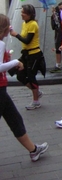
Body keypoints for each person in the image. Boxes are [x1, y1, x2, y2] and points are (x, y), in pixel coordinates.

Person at [0, 14, 49, 161]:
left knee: (15, 119)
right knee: (14, 119)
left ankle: (33, 150)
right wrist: (15, 62)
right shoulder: (0, 44)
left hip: (2, 90)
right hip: (0, 89)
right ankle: (33, 150)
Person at [10, 4, 46, 110]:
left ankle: (36, 101)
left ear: (30, 14)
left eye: (23, 13)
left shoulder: (33, 24)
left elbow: (27, 40)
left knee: (31, 76)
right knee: (20, 75)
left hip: (34, 54)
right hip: (26, 54)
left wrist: (16, 35)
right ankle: (37, 92)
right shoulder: (24, 24)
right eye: (21, 12)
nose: (22, 14)